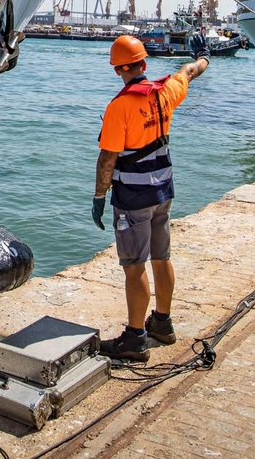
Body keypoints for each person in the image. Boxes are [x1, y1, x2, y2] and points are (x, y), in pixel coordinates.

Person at [93, 35, 209, 362]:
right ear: (144, 64)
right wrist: (204, 58)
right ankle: (163, 322)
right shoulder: (165, 92)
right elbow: (188, 72)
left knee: (134, 266)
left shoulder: (120, 107)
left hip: (133, 197)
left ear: (118, 70)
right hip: (163, 191)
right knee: (161, 257)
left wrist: (99, 196)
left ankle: (134, 339)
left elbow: (107, 158)